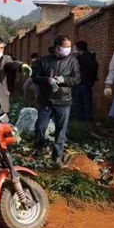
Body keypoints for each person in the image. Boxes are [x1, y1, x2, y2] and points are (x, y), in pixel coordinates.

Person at [32, 35, 81, 167]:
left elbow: (77, 79)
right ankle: (38, 150)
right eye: (65, 47)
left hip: (64, 101)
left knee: (61, 130)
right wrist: (47, 80)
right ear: (57, 48)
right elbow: (35, 77)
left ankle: (57, 156)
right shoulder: (44, 61)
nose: (68, 49)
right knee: (40, 127)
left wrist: (64, 79)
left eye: (69, 46)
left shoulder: (72, 61)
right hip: (46, 101)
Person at [72, 41, 98, 122]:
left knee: (83, 100)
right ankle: (84, 118)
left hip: (84, 82)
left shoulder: (84, 57)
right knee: (83, 100)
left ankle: (85, 118)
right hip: (85, 82)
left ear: (78, 48)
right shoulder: (88, 56)